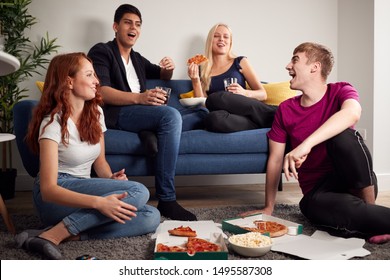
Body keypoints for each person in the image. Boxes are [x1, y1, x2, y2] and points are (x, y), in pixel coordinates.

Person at [15, 52, 160, 259]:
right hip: (55, 198)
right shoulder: (52, 123)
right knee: (139, 191)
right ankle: (54, 235)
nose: (97, 81)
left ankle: (60, 234)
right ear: (69, 81)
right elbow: (48, 190)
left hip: (84, 189)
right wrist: (99, 203)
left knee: (150, 216)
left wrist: (111, 181)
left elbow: (100, 163)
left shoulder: (96, 114)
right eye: (90, 75)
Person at [241, 42, 390, 244]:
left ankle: (369, 213)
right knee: (311, 207)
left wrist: (306, 144)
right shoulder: (286, 109)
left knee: (342, 136)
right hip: (319, 192)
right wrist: (269, 207)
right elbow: (275, 160)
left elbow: (352, 113)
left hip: (357, 183)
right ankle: (370, 221)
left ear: (315, 67)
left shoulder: (340, 90)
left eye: (295, 59)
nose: (287, 66)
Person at [87, 4, 196, 221]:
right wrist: (141, 97)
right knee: (171, 115)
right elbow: (101, 92)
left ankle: (151, 133)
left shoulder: (136, 59)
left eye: (137, 24)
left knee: (200, 113)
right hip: (118, 113)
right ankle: (167, 198)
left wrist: (169, 68)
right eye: (128, 22)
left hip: (141, 113)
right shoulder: (102, 51)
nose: (133, 28)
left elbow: (163, 75)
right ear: (116, 26)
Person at [187, 23, 277, 133]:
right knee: (212, 119)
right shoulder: (202, 69)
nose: (221, 39)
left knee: (217, 98)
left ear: (230, 42)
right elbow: (204, 104)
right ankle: (266, 123)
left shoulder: (240, 62)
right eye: (216, 36)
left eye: (226, 37)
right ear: (210, 40)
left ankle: (275, 114)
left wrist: (244, 93)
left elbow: (263, 94)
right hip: (234, 118)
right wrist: (195, 80)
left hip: (246, 109)